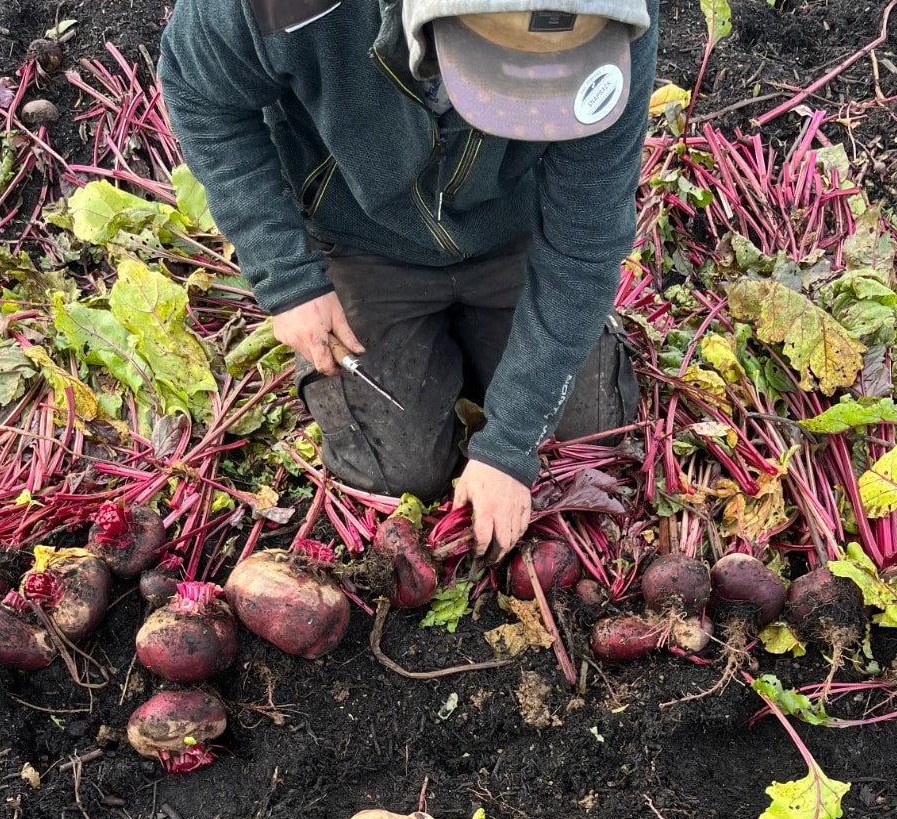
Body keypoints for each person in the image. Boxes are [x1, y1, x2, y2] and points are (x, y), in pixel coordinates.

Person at [159, 0, 657, 559]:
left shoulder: (615, 18)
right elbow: (202, 95)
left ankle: (488, 351)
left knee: (588, 427)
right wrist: (288, 278)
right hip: (363, 233)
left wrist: (510, 444)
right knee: (398, 470)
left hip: (514, 229)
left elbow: (584, 238)